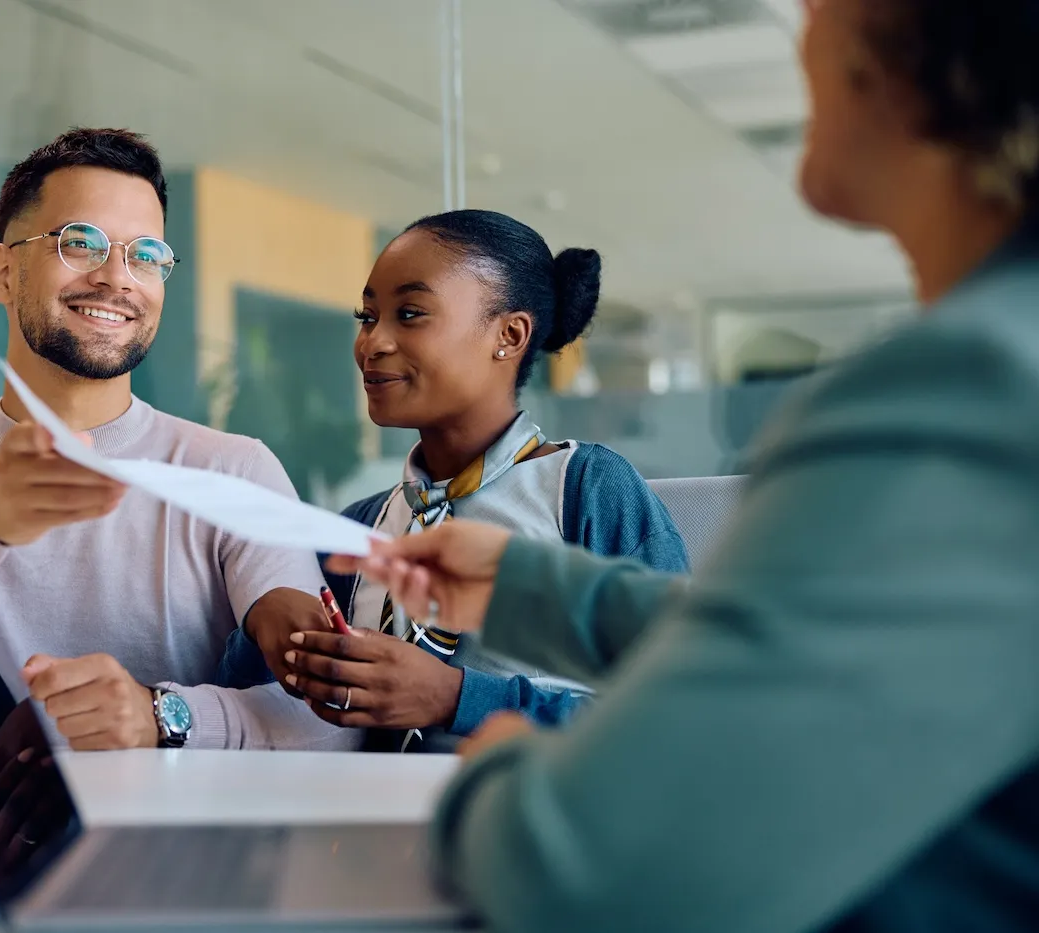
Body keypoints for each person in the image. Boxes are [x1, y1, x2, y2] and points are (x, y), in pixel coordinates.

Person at [330, 1, 1039, 929]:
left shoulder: (968, 391)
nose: (804, 26)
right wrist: (525, 591)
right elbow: (803, 649)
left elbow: (585, 872)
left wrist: (490, 757)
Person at [0, 127, 357, 752]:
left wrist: (162, 715)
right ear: (4, 273)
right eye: (79, 242)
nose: (118, 278)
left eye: (146, 255)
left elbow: (318, 721)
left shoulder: (232, 470)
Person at [226, 210, 688, 753]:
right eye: (367, 315)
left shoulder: (587, 489)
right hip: (362, 822)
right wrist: (267, 621)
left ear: (509, 335)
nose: (372, 342)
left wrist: (456, 697)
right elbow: (242, 696)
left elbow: (685, 711)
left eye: (411, 313)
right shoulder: (360, 527)